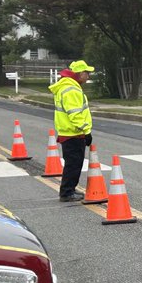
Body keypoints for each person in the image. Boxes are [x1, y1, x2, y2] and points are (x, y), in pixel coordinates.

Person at [49, 59, 95, 202]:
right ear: (80, 73)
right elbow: (75, 114)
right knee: (74, 164)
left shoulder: (67, 86)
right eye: (87, 73)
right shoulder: (72, 90)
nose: (88, 76)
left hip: (68, 132)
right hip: (73, 133)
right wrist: (86, 131)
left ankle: (69, 190)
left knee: (73, 163)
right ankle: (67, 192)